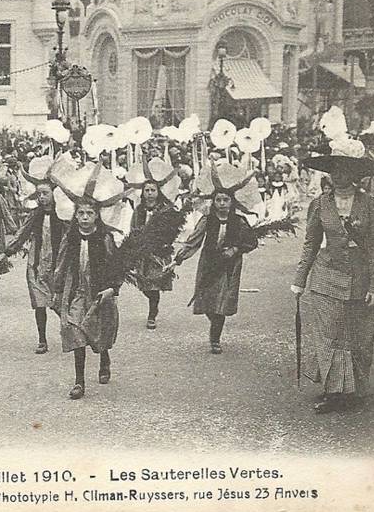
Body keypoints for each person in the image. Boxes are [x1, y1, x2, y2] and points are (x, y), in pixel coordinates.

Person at [292, 142, 374, 414]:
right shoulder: (319, 204)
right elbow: (311, 243)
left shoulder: (373, 205)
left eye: (344, 168)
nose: (338, 174)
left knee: (358, 335)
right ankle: (333, 391)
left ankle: (354, 390)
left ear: (356, 173)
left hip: (360, 277)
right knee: (328, 335)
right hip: (326, 275)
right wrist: (300, 279)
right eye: (334, 168)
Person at [49, 160, 126, 399]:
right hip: (77, 293)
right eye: (80, 213)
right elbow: (61, 264)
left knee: (100, 334)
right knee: (76, 334)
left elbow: (117, 267)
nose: (84, 218)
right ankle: (79, 381)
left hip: (99, 293)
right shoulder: (70, 237)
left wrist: (113, 289)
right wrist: (57, 290)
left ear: (97, 215)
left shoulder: (105, 239)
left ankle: (104, 359)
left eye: (89, 213)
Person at [174, 161, 260, 355]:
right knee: (207, 302)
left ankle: (215, 338)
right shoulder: (207, 220)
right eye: (218, 200)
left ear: (232, 202)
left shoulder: (239, 221)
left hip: (229, 267)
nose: (222, 204)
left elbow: (252, 242)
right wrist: (179, 258)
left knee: (221, 303)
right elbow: (193, 241)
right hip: (209, 263)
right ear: (213, 202)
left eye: (225, 200)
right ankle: (214, 323)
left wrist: (236, 249)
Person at [0, 155, 66, 354]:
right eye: (39, 194)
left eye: (45, 193)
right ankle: (42, 339)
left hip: (57, 265)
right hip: (36, 264)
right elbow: (21, 234)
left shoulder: (63, 216)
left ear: (54, 194)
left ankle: (68, 332)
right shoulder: (35, 215)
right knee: (39, 304)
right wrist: (6, 253)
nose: (42, 197)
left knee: (59, 302)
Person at [125, 157, 183, 330]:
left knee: (154, 283)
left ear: (159, 192)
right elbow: (133, 227)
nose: (149, 193)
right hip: (142, 251)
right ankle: (152, 301)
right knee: (144, 284)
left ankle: (152, 313)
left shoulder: (165, 210)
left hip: (159, 251)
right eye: (147, 190)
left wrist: (164, 244)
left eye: (152, 190)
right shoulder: (139, 210)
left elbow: (172, 230)